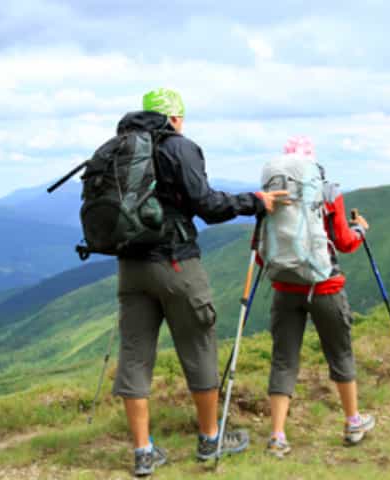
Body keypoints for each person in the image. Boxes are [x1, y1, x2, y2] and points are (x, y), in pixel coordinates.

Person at [112, 88, 288, 476]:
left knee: (136, 355)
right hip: (175, 264)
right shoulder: (180, 148)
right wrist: (255, 202)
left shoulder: (120, 149)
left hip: (130, 266)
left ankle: (143, 452)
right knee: (198, 344)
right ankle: (210, 438)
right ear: (174, 117)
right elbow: (206, 205)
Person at [262, 135, 375, 458]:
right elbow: (343, 240)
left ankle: (277, 437)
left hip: (285, 288)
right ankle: (353, 423)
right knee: (340, 353)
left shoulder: (274, 190)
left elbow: (261, 247)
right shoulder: (326, 190)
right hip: (325, 286)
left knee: (284, 359)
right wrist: (361, 230)